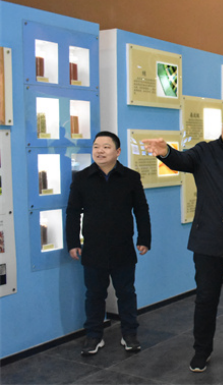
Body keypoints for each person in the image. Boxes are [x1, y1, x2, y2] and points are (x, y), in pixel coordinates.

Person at [142, 107, 223, 373]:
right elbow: (182, 160)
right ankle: (201, 351)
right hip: (208, 241)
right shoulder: (205, 151)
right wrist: (165, 152)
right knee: (205, 300)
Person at [66, 131, 151, 356]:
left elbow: (141, 209)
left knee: (126, 292)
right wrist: (72, 242)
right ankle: (93, 336)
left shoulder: (130, 177)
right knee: (94, 294)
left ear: (117, 151)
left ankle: (129, 333)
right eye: (96, 146)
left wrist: (144, 239)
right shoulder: (82, 178)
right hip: (93, 247)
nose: (100, 151)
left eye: (106, 147)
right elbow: (73, 212)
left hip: (122, 246)